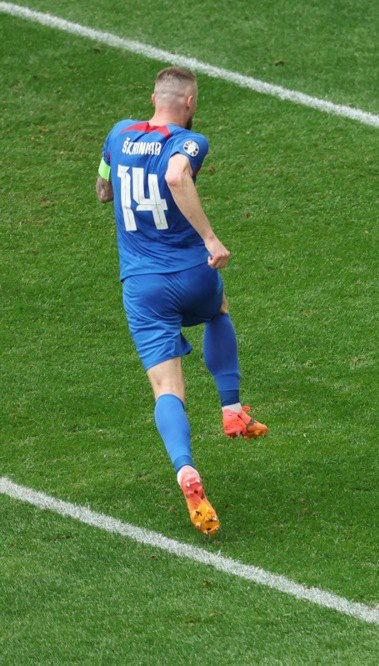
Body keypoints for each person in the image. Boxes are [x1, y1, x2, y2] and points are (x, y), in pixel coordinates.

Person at [96, 66, 268, 534]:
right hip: (192, 272)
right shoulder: (191, 141)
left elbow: (103, 188)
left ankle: (185, 469)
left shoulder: (117, 133)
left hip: (142, 284)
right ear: (189, 104)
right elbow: (176, 176)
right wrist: (210, 238)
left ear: (153, 97)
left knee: (166, 388)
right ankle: (232, 408)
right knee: (217, 311)